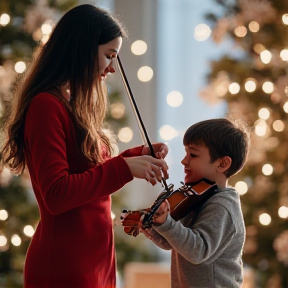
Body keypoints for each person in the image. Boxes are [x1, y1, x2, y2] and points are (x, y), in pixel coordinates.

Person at [0, 4, 169, 288]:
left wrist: (133, 157)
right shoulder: (46, 106)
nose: (113, 68)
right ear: (82, 50)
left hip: (96, 260)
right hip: (66, 266)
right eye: (108, 56)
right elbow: (57, 193)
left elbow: (89, 173)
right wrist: (125, 167)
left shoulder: (73, 104)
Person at [122, 118, 250, 288]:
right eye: (186, 153)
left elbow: (197, 251)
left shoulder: (221, 206)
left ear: (222, 163)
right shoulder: (196, 197)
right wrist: (151, 225)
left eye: (193, 155)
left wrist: (167, 223)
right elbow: (171, 243)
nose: (184, 161)